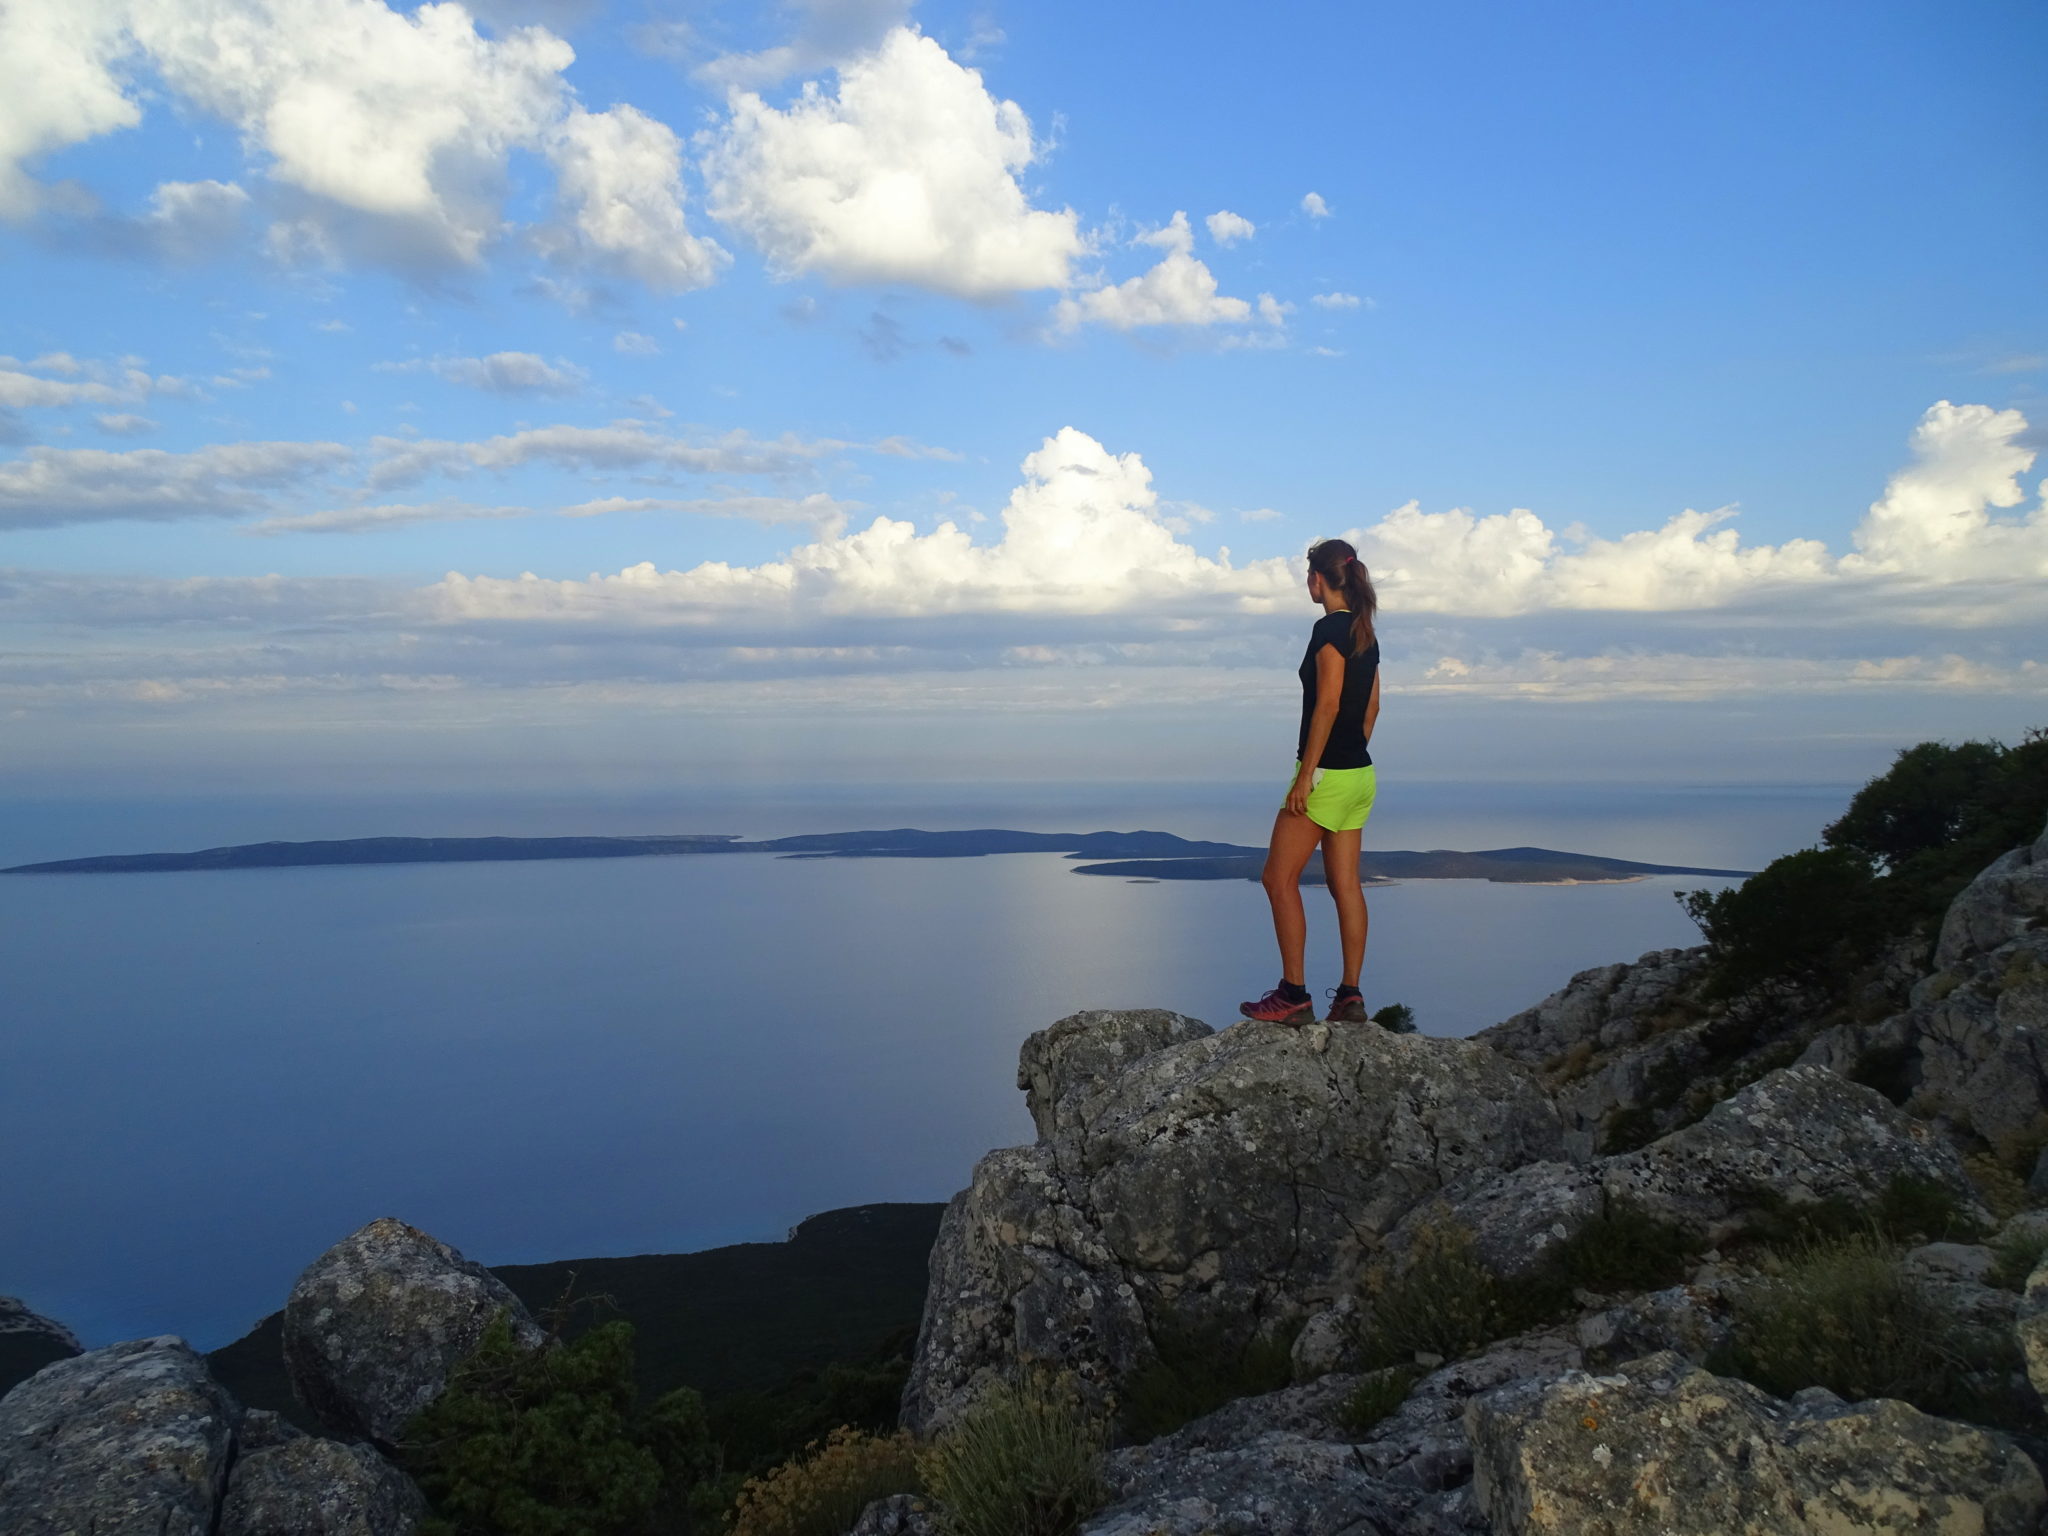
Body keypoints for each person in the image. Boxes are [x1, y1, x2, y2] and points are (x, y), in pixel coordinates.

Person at [1240, 538, 1381, 1026]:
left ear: (1317, 579)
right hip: (1360, 775)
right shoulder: (1365, 631)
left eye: (1307, 576)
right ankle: (1350, 996)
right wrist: (1349, 755)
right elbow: (1371, 709)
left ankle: (1294, 995)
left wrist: (1308, 776)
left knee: (1277, 879)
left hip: (1326, 776)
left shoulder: (1328, 629)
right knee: (1346, 886)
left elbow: (1329, 702)